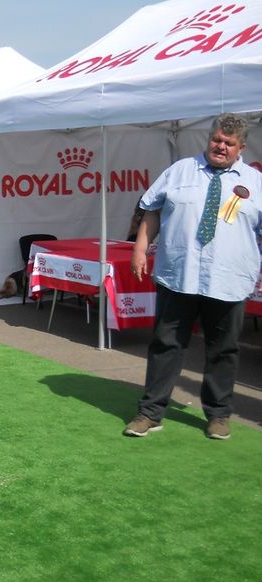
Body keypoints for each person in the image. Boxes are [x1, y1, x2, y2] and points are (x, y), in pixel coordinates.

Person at [126, 113, 262, 440]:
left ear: (240, 147)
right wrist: (140, 249)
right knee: (165, 345)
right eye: (216, 140)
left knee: (223, 349)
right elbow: (152, 210)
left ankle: (218, 415)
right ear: (209, 138)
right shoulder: (180, 170)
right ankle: (150, 412)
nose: (220, 147)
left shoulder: (256, 183)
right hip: (179, 275)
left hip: (228, 280)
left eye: (228, 143)